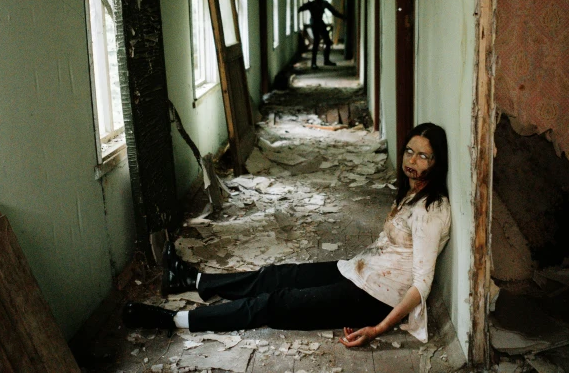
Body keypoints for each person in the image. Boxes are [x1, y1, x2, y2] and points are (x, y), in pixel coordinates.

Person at [123, 123, 451, 347]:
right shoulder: (412, 193)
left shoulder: (430, 211)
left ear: (437, 163)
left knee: (273, 304)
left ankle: (175, 320)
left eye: (423, 156)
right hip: (358, 272)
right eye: (409, 151)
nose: (412, 160)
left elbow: (422, 283)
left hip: (374, 299)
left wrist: (379, 328)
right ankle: (192, 282)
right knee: (277, 275)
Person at [298, 0, 346, 69]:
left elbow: (334, 12)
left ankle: (326, 60)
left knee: (327, 42)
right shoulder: (312, 4)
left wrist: (343, 17)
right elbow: (301, 9)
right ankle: (314, 63)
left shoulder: (324, 3)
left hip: (320, 22)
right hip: (314, 23)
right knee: (316, 42)